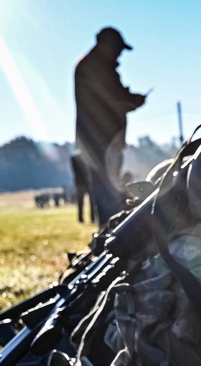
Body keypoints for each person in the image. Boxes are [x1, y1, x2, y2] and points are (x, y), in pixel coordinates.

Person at [74, 26, 146, 227]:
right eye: (118, 49)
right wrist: (133, 100)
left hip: (99, 139)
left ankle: (110, 233)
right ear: (107, 46)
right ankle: (112, 236)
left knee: (106, 189)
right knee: (108, 191)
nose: (119, 54)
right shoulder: (97, 67)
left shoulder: (92, 66)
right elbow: (114, 98)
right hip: (102, 139)